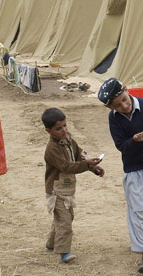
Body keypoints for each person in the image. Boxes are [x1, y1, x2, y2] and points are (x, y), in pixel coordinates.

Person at [98, 77, 143, 274]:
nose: (124, 105)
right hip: (134, 169)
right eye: (117, 105)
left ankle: (139, 238)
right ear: (110, 108)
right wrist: (134, 140)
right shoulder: (114, 119)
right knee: (138, 209)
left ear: (126, 90)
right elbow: (122, 146)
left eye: (124, 99)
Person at [42, 107, 104, 264]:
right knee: (64, 221)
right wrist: (86, 164)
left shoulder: (68, 139)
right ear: (48, 131)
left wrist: (93, 167)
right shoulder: (52, 149)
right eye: (58, 128)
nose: (63, 130)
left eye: (65, 125)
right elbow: (67, 167)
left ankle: (51, 243)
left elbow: (79, 154)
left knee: (65, 217)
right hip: (56, 190)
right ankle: (64, 252)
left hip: (68, 188)